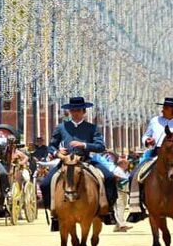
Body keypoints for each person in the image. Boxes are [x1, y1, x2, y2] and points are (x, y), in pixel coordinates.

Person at [40, 97, 127, 227]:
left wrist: (84, 145)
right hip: (66, 161)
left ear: (83, 111)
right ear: (69, 112)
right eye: (73, 110)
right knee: (46, 183)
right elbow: (51, 146)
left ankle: (108, 212)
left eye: (78, 110)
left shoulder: (91, 128)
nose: (75, 113)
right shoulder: (61, 127)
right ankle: (54, 214)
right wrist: (57, 152)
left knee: (108, 177)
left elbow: (100, 146)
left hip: (86, 160)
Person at [128, 97, 173, 222]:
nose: (162, 110)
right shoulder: (155, 121)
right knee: (134, 175)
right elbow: (146, 135)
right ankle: (136, 208)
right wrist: (147, 140)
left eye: (166, 108)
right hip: (155, 154)